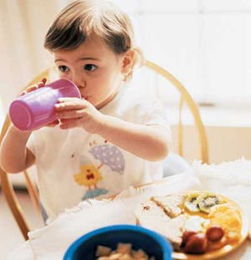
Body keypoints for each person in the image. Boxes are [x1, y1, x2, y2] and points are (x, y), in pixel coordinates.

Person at [0, 0, 171, 220]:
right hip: (68, 224)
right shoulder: (52, 113)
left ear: (126, 62)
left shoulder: (138, 105)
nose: (75, 80)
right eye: (63, 67)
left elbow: (160, 149)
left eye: (89, 67)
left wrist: (98, 123)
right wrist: (21, 129)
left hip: (133, 220)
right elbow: (12, 165)